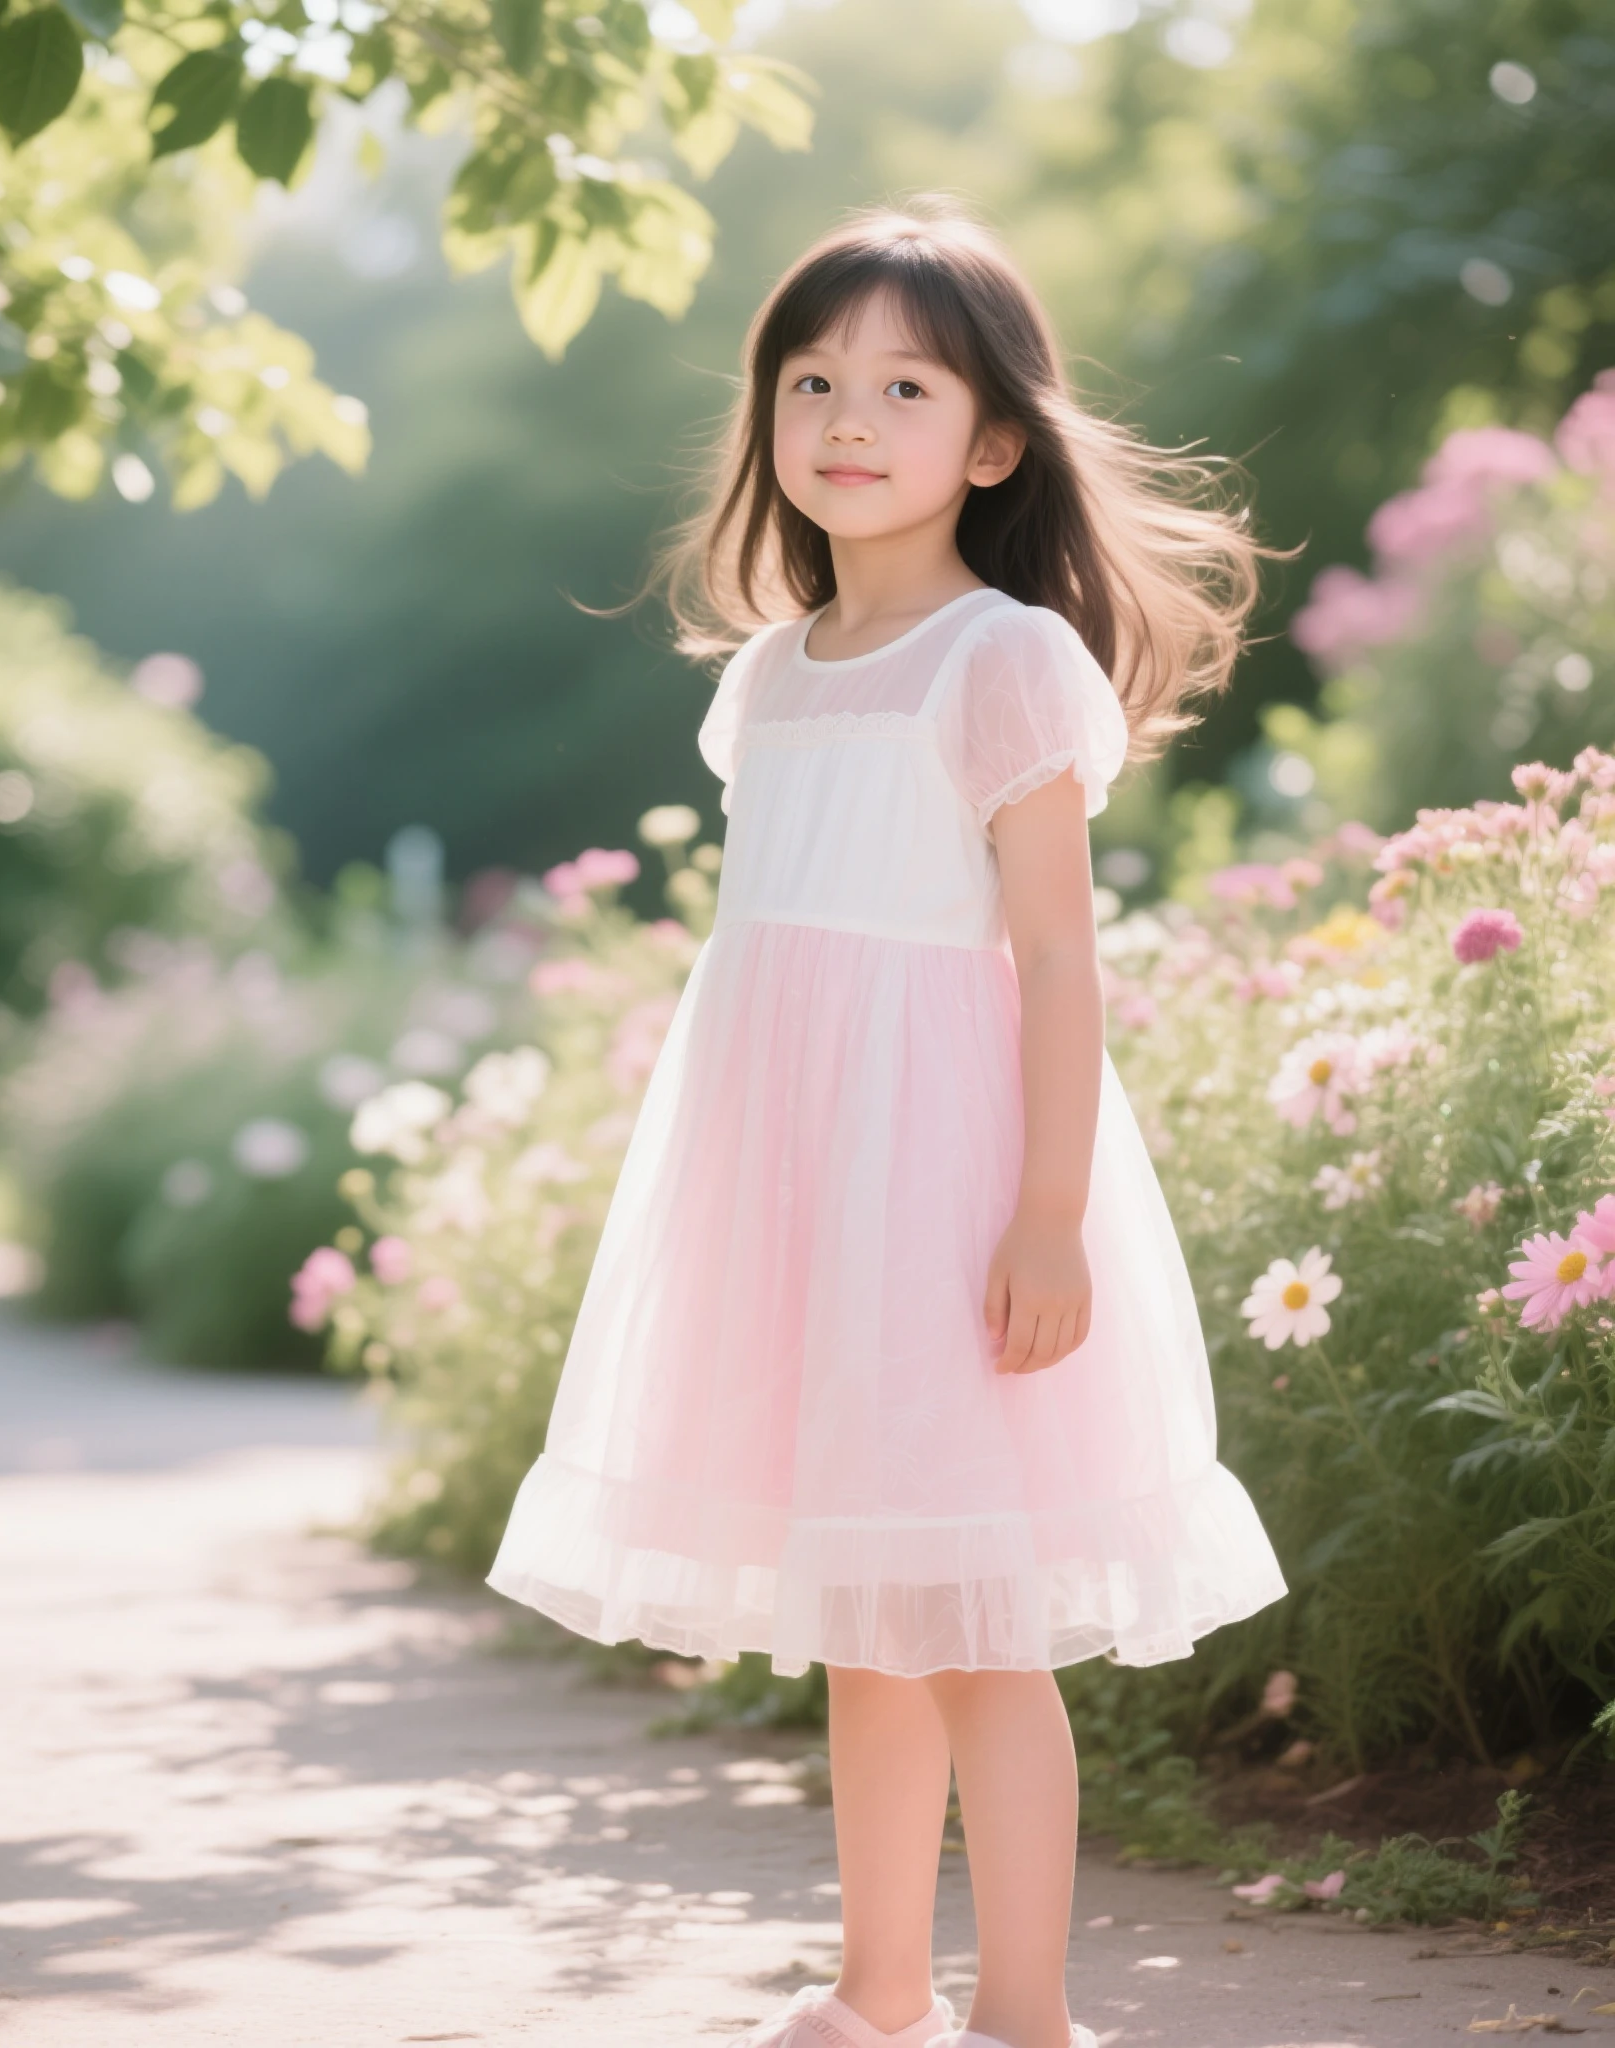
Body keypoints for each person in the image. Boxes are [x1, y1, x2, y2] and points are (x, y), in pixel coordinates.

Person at [485, 197, 1289, 2048]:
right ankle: (877, 1993)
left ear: (992, 439)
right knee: (863, 1612)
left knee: (981, 1624)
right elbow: (768, 973)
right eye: (813, 378)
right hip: (800, 1190)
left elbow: (1058, 967)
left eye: (904, 384)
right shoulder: (771, 674)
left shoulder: (1002, 660)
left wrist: (1048, 1213)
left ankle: (1024, 2012)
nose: (848, 414)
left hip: (946, 1183)